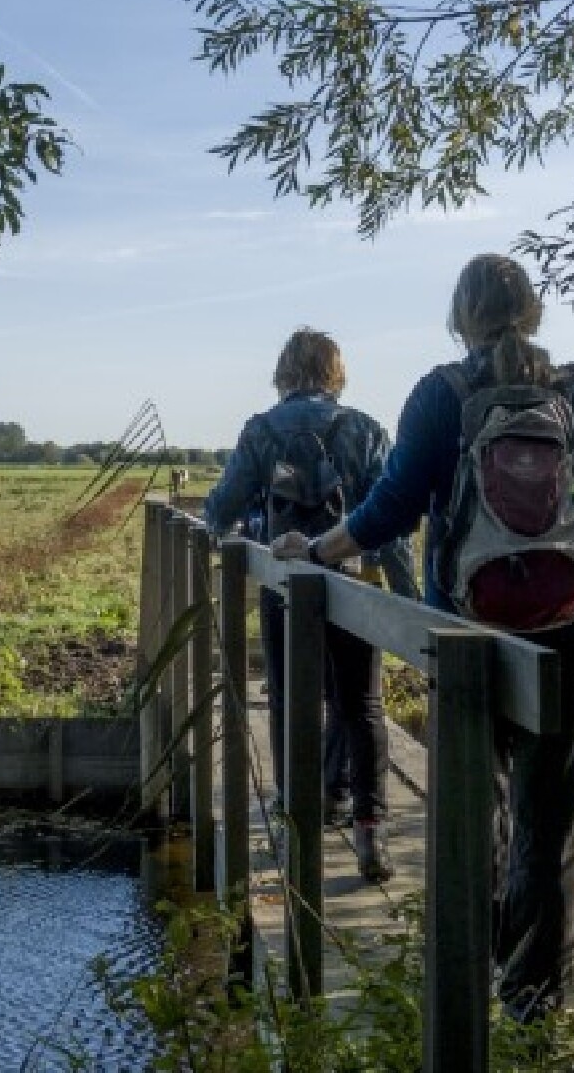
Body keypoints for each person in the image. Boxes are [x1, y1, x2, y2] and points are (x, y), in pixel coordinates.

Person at [272, 254, 574, 1022]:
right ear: (535, 311)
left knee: (474, 809)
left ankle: (472, 980)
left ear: (459, 318)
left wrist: (314, 554)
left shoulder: (441, 395)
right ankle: (535, 1004)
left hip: (467, 633)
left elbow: (390, 510)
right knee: (548, 830)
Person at [204, 327, 417, 883]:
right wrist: (412, 603)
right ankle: (369, 829)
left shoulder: (261, 431)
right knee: (361, 705)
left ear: (284, 373)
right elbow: (392, 523)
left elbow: (220, 509)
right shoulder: (365, 430)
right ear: (334, 374)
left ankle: (295, 811)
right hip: (354, 584)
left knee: (288, 698)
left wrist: (217, 535)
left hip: (283, 585)